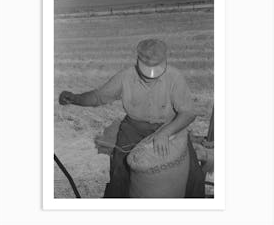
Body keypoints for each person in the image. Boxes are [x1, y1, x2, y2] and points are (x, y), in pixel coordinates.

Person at [59, 38, 205, 198]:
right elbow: (98, 97)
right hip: (133, 129)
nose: (150, 76)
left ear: (165, 62)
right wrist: (74, 98)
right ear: (138, 61)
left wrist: (165, 133)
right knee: (119, 173)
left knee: (194, 175)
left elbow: (188, 113)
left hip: (168, 126)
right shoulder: (125, 76)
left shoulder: (174, 77)